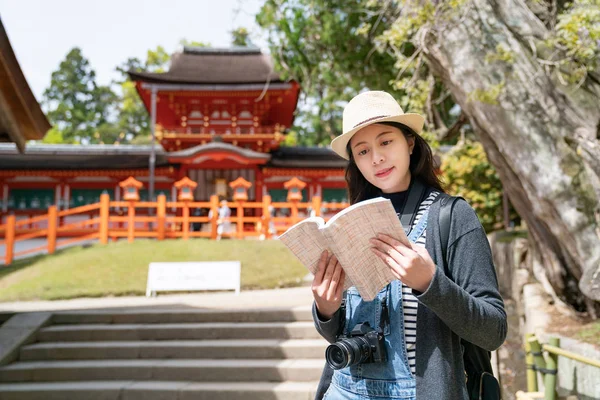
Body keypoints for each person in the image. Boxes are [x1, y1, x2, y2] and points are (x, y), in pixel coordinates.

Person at [312, 91, 507, 399]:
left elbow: (493, 331)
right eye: (362, 151)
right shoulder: (348, 224)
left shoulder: (452, 217)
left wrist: (430, 283)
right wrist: (325, 310)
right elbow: (338, 335)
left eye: (386, 142)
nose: (376, 158)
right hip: (344, 390)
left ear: (410, 142)